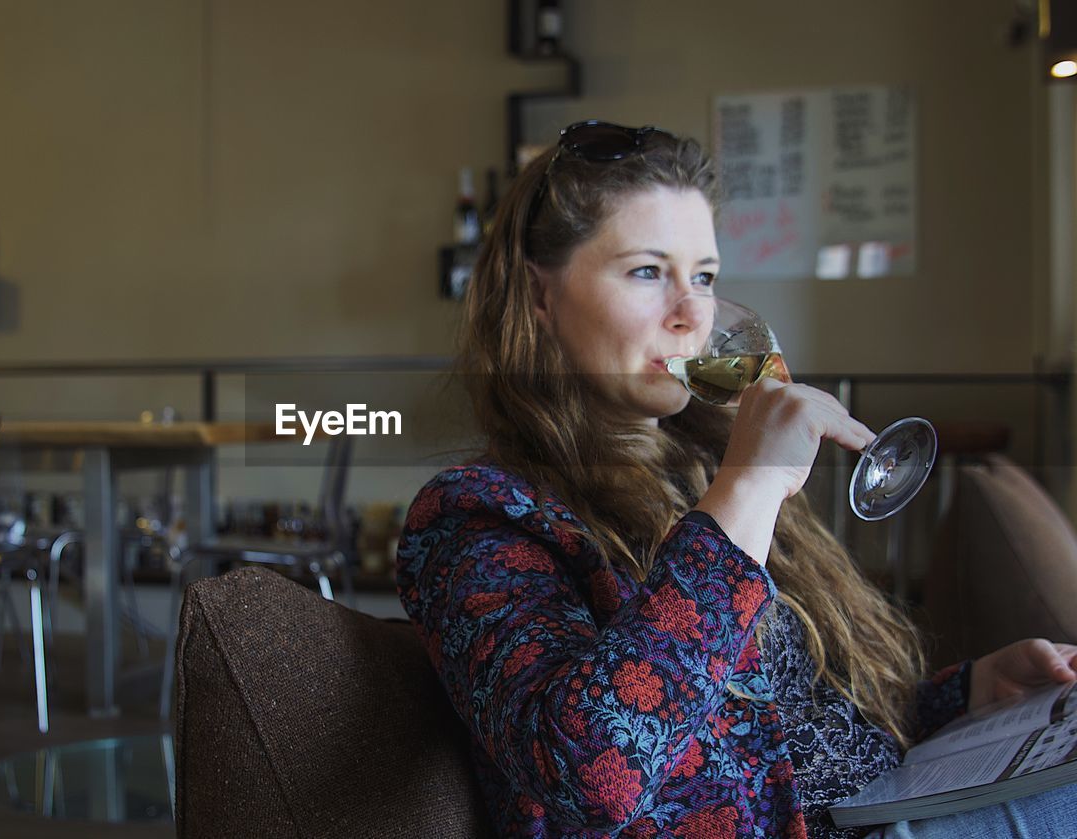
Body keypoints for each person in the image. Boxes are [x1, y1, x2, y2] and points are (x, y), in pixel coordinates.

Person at [394, 121, 1077, 838]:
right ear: (539, 298)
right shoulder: (478, 516)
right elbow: (589, 772)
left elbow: (796, 726)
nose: (694, 314)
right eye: (648, 271)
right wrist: (747, 490)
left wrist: (967, 695)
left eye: (706, 277)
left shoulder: (699, 471)